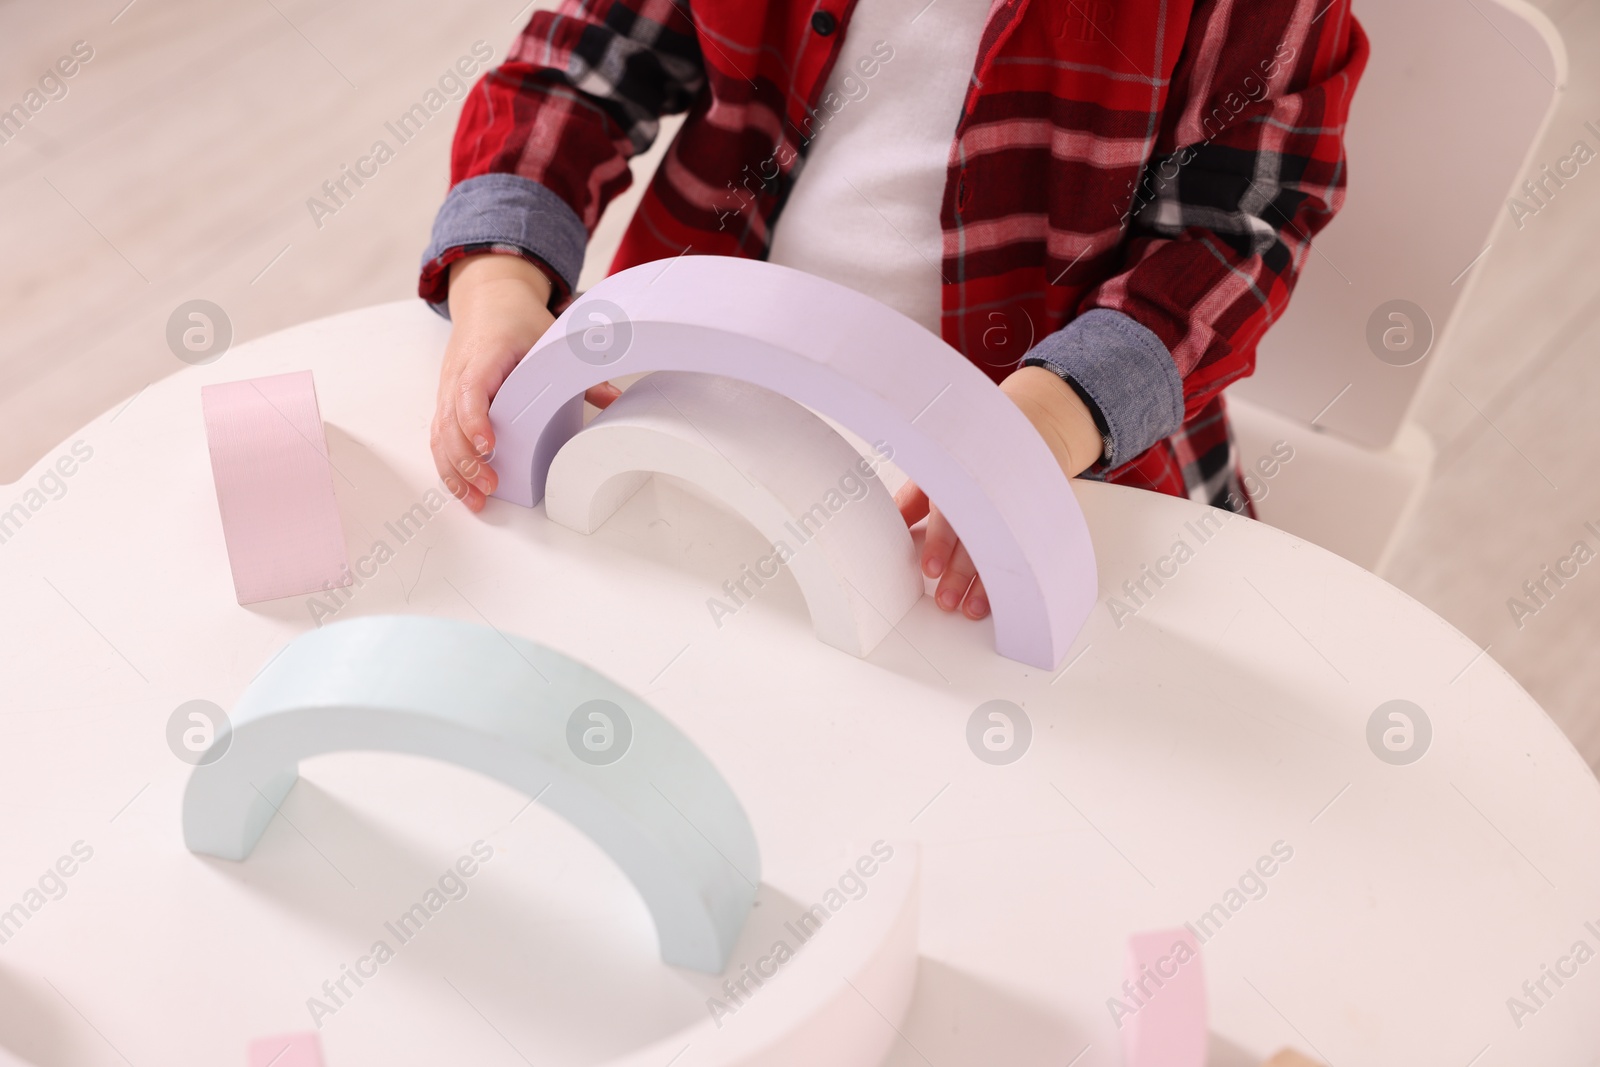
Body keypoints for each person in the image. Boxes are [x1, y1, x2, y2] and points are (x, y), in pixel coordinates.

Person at [422, 0, 1368, 622]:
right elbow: (581, 67)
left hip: (1053, 463)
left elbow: (1235, 234)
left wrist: (1041, 424)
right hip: (699, 410)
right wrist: (501, 281)